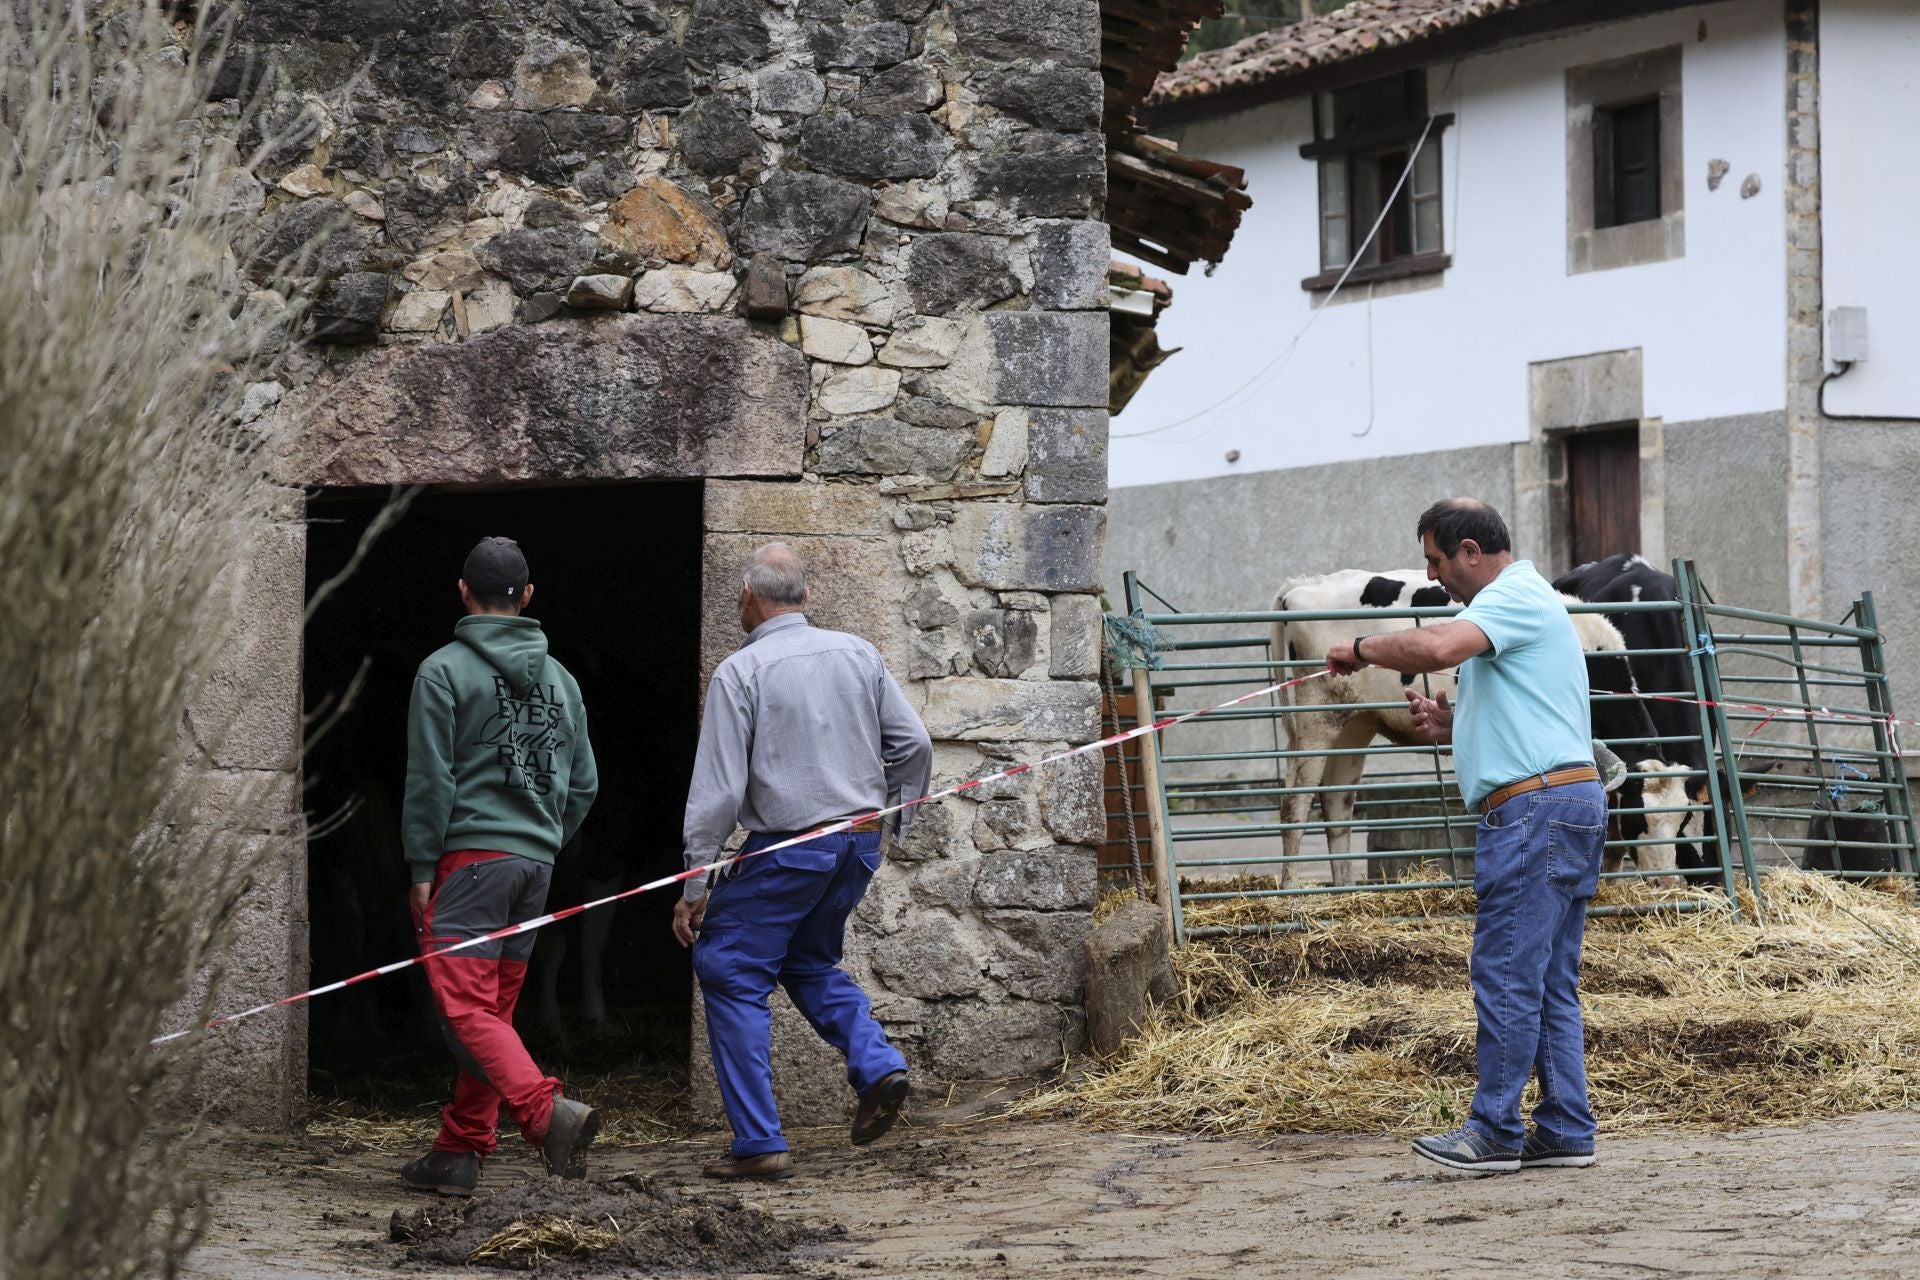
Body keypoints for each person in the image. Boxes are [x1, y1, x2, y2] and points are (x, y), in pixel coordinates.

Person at [1324, 499, 1607, 1174]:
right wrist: (1451, 724)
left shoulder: (1510, 599)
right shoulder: (1528, 607)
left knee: (1507, 973)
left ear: (1472, 552)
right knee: (1547, 980)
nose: (1435, 574)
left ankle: (1494, 1130)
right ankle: (1566, 1125)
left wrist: (1360, 648)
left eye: (1436, 560)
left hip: (1534, 813)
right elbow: (1527, 716)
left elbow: (1436, 645)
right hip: (1567, 798)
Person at [676, 542, 933, 1181]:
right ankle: (876, 1068)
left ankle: (760, 1143)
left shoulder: (741, 672)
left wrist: (695, 881)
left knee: (729, 965)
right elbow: (915, 744)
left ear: (746, 598)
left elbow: (719, 793)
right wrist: (898, 817)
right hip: (856, 846)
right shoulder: (858, 653)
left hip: (790, 850)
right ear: (806, 597)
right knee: (809, 961)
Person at [398, 536, 601, 1196]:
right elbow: (584, 786)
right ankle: (459, 1150)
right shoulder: (563, 682)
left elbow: (432, 778)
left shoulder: (441, 671)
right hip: (532, 871)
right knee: (490, 1016)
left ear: (463, 592)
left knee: (464, 1010)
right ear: (528, 597)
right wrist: (541, 839)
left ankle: (545, 1114)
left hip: (469, 864)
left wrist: (421, 865)